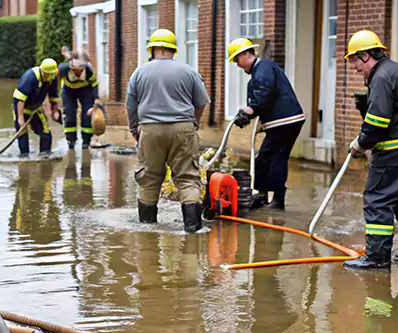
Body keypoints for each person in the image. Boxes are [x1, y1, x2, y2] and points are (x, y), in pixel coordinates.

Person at [342, 29, 398, 270]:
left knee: (377, 200)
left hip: (394, 151)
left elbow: (378, 122)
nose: (354, 68)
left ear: (365, 55)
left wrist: (361, 143)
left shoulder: (381, 78)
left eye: (354, 61)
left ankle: (377, 258)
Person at [126, 29, 210, 233]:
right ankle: (192, 229)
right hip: (183, 128)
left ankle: (147, 231)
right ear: (173, 50)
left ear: (152, 48)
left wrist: (135, 129)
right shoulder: (188, 71)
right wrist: (194, 123)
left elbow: (131, 105)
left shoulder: (139, 72)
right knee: (188, 178)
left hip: (150, 129)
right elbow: (201, 102)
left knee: (149, 178)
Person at [227, 37, 305, 210]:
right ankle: (262, 196)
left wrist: (249, 110)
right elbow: (264, 100)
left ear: (246, 54)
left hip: (286, 121)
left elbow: (264, 92)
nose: (237, 65)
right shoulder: (259, 72)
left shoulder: (264, 68)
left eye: (236, 60)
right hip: (282, 122)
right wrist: (250, 116)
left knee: (275, 158)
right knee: (265, 159)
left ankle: (276, 200)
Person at [12, 58, 61, 156]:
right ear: (42, 71)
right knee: (22, 134)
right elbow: (20, 99)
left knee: (46, 133)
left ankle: (45, 156)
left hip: (36, 109)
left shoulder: (52, 78)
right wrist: (21, 119)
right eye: (46, 74)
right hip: (22, 108)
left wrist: (54, 110)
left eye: (51, 75)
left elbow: (53, 96)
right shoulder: (30, 77)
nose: (49, 77)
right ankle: (24, 157)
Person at [58, 52, 102, 150]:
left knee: (87, 115)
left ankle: (86, 141)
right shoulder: (63, 69)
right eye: (75, 69)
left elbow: (94, 84)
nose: (78, 71)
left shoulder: (89, 71)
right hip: (68, 92)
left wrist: (96, 98)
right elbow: (54, 80)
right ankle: (71, 140)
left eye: (80, 69)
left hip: (85, 92)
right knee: (69, 114)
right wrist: (54, 98)